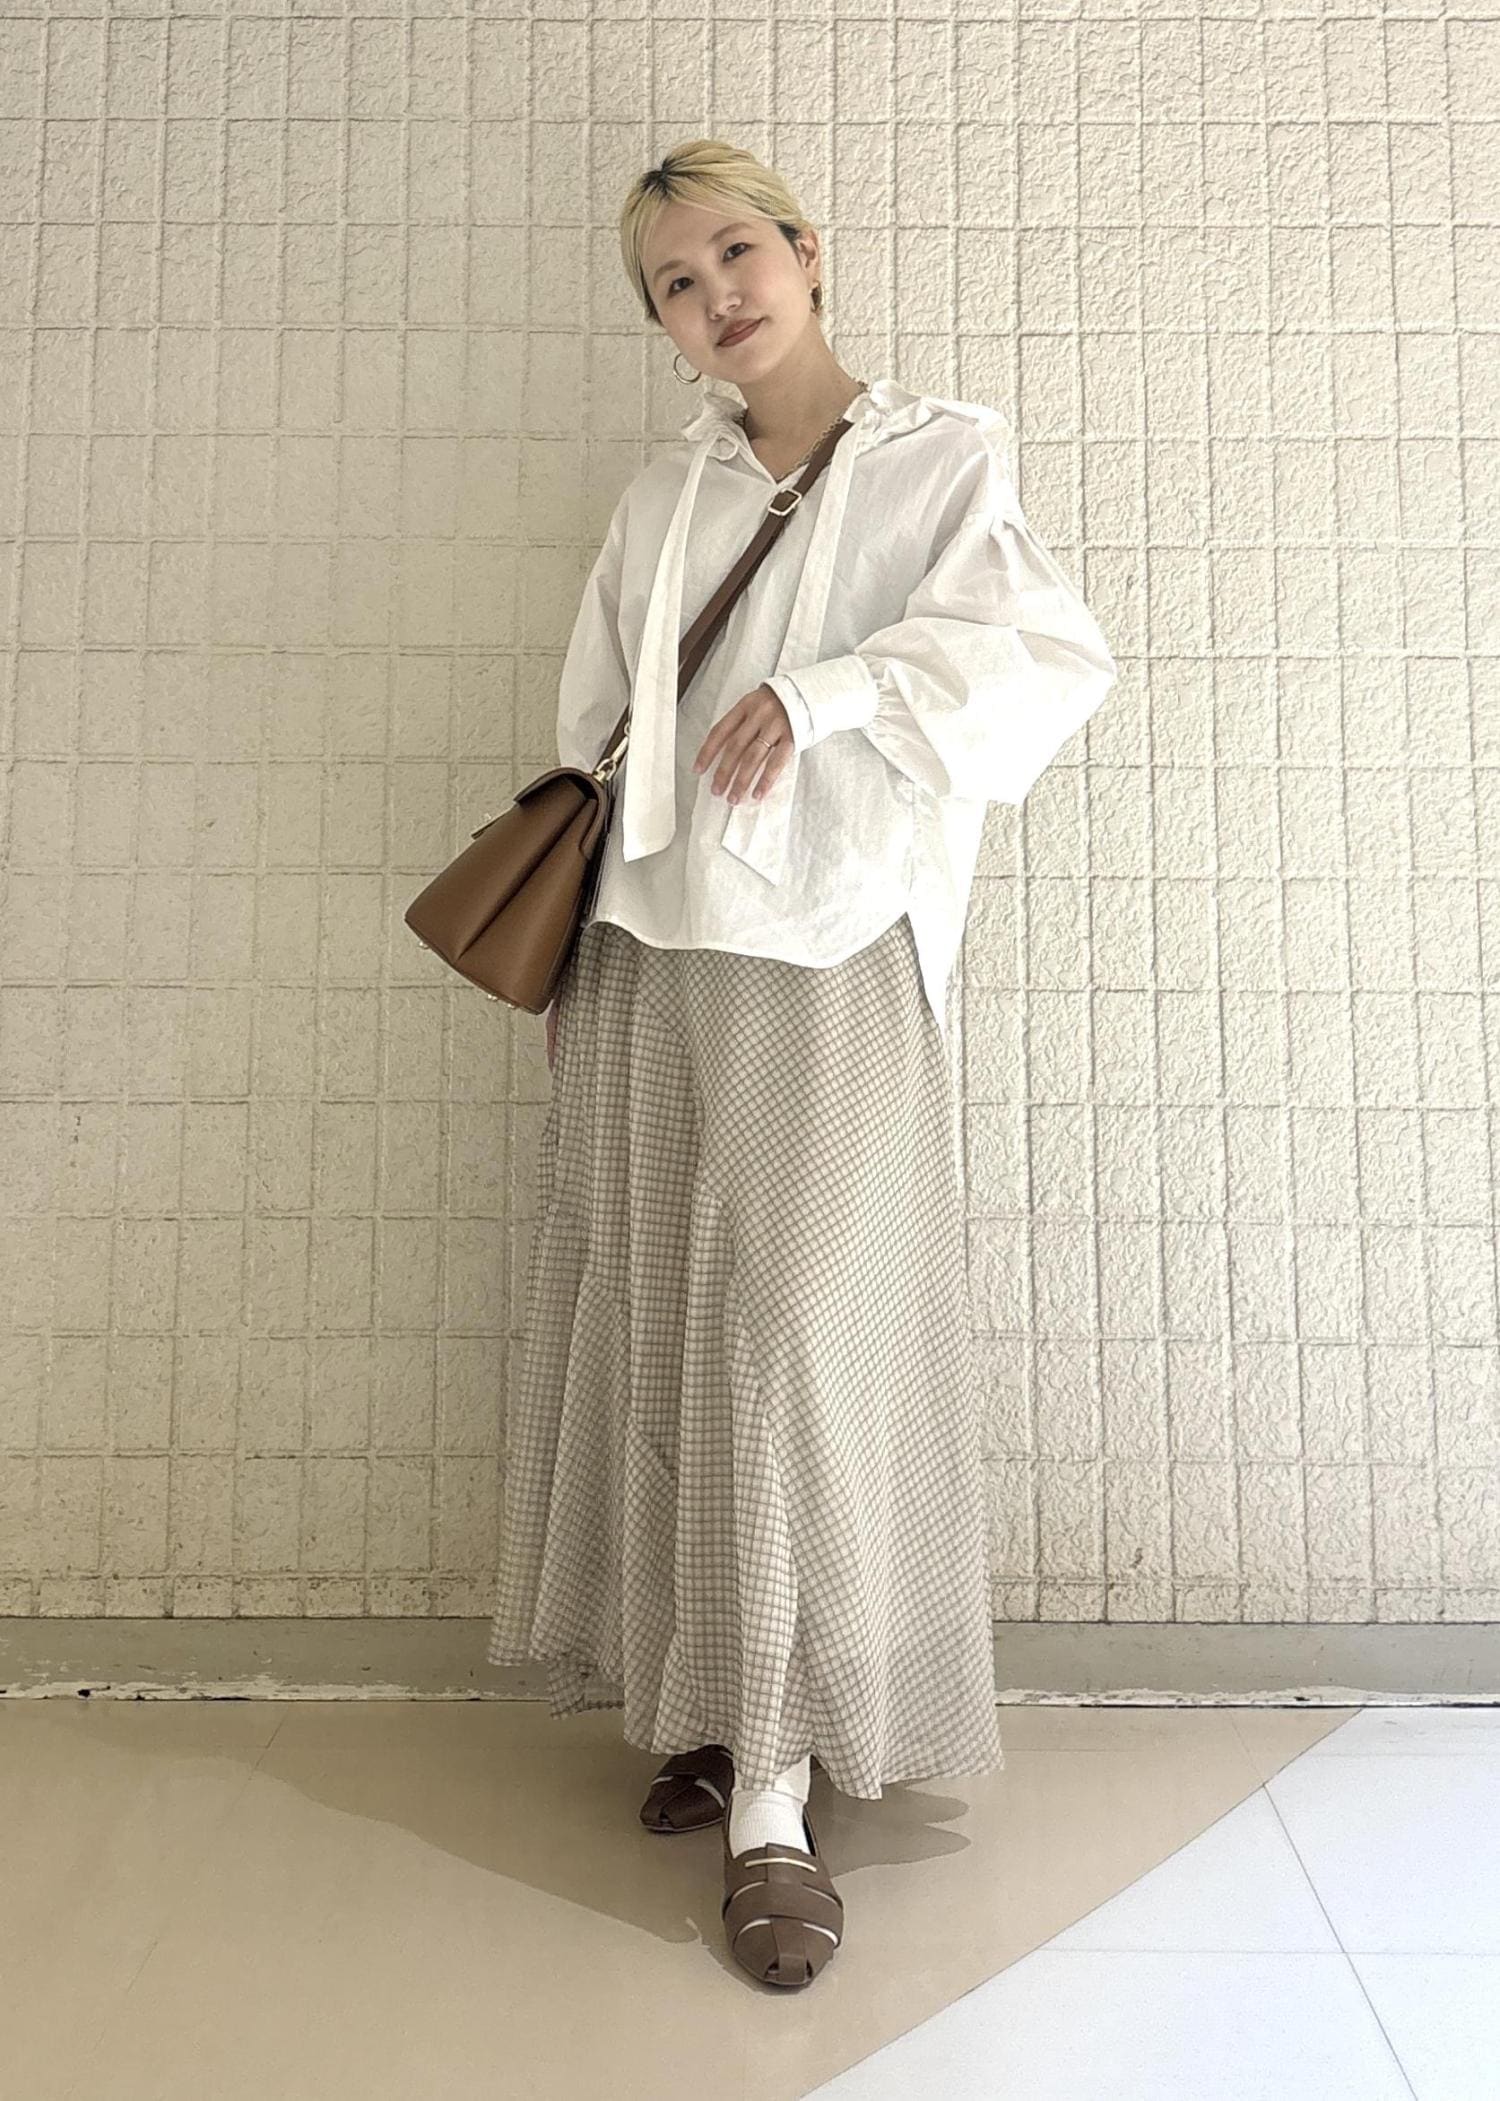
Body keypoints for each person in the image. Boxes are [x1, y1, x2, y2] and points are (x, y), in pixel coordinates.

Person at [488, 138, 1118, 1991]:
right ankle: (713, 1699)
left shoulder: (941, 458)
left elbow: (1044, 663)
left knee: (793, 1345)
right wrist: (588, 921)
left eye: (735, 255)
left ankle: (779, 1786)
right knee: (668, 1326)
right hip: (647, 952)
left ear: (805, 251)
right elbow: (593, 719)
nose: (717, 300)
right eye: (676, 287)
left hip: (834, 953)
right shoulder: (664, 492)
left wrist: (828, 692)